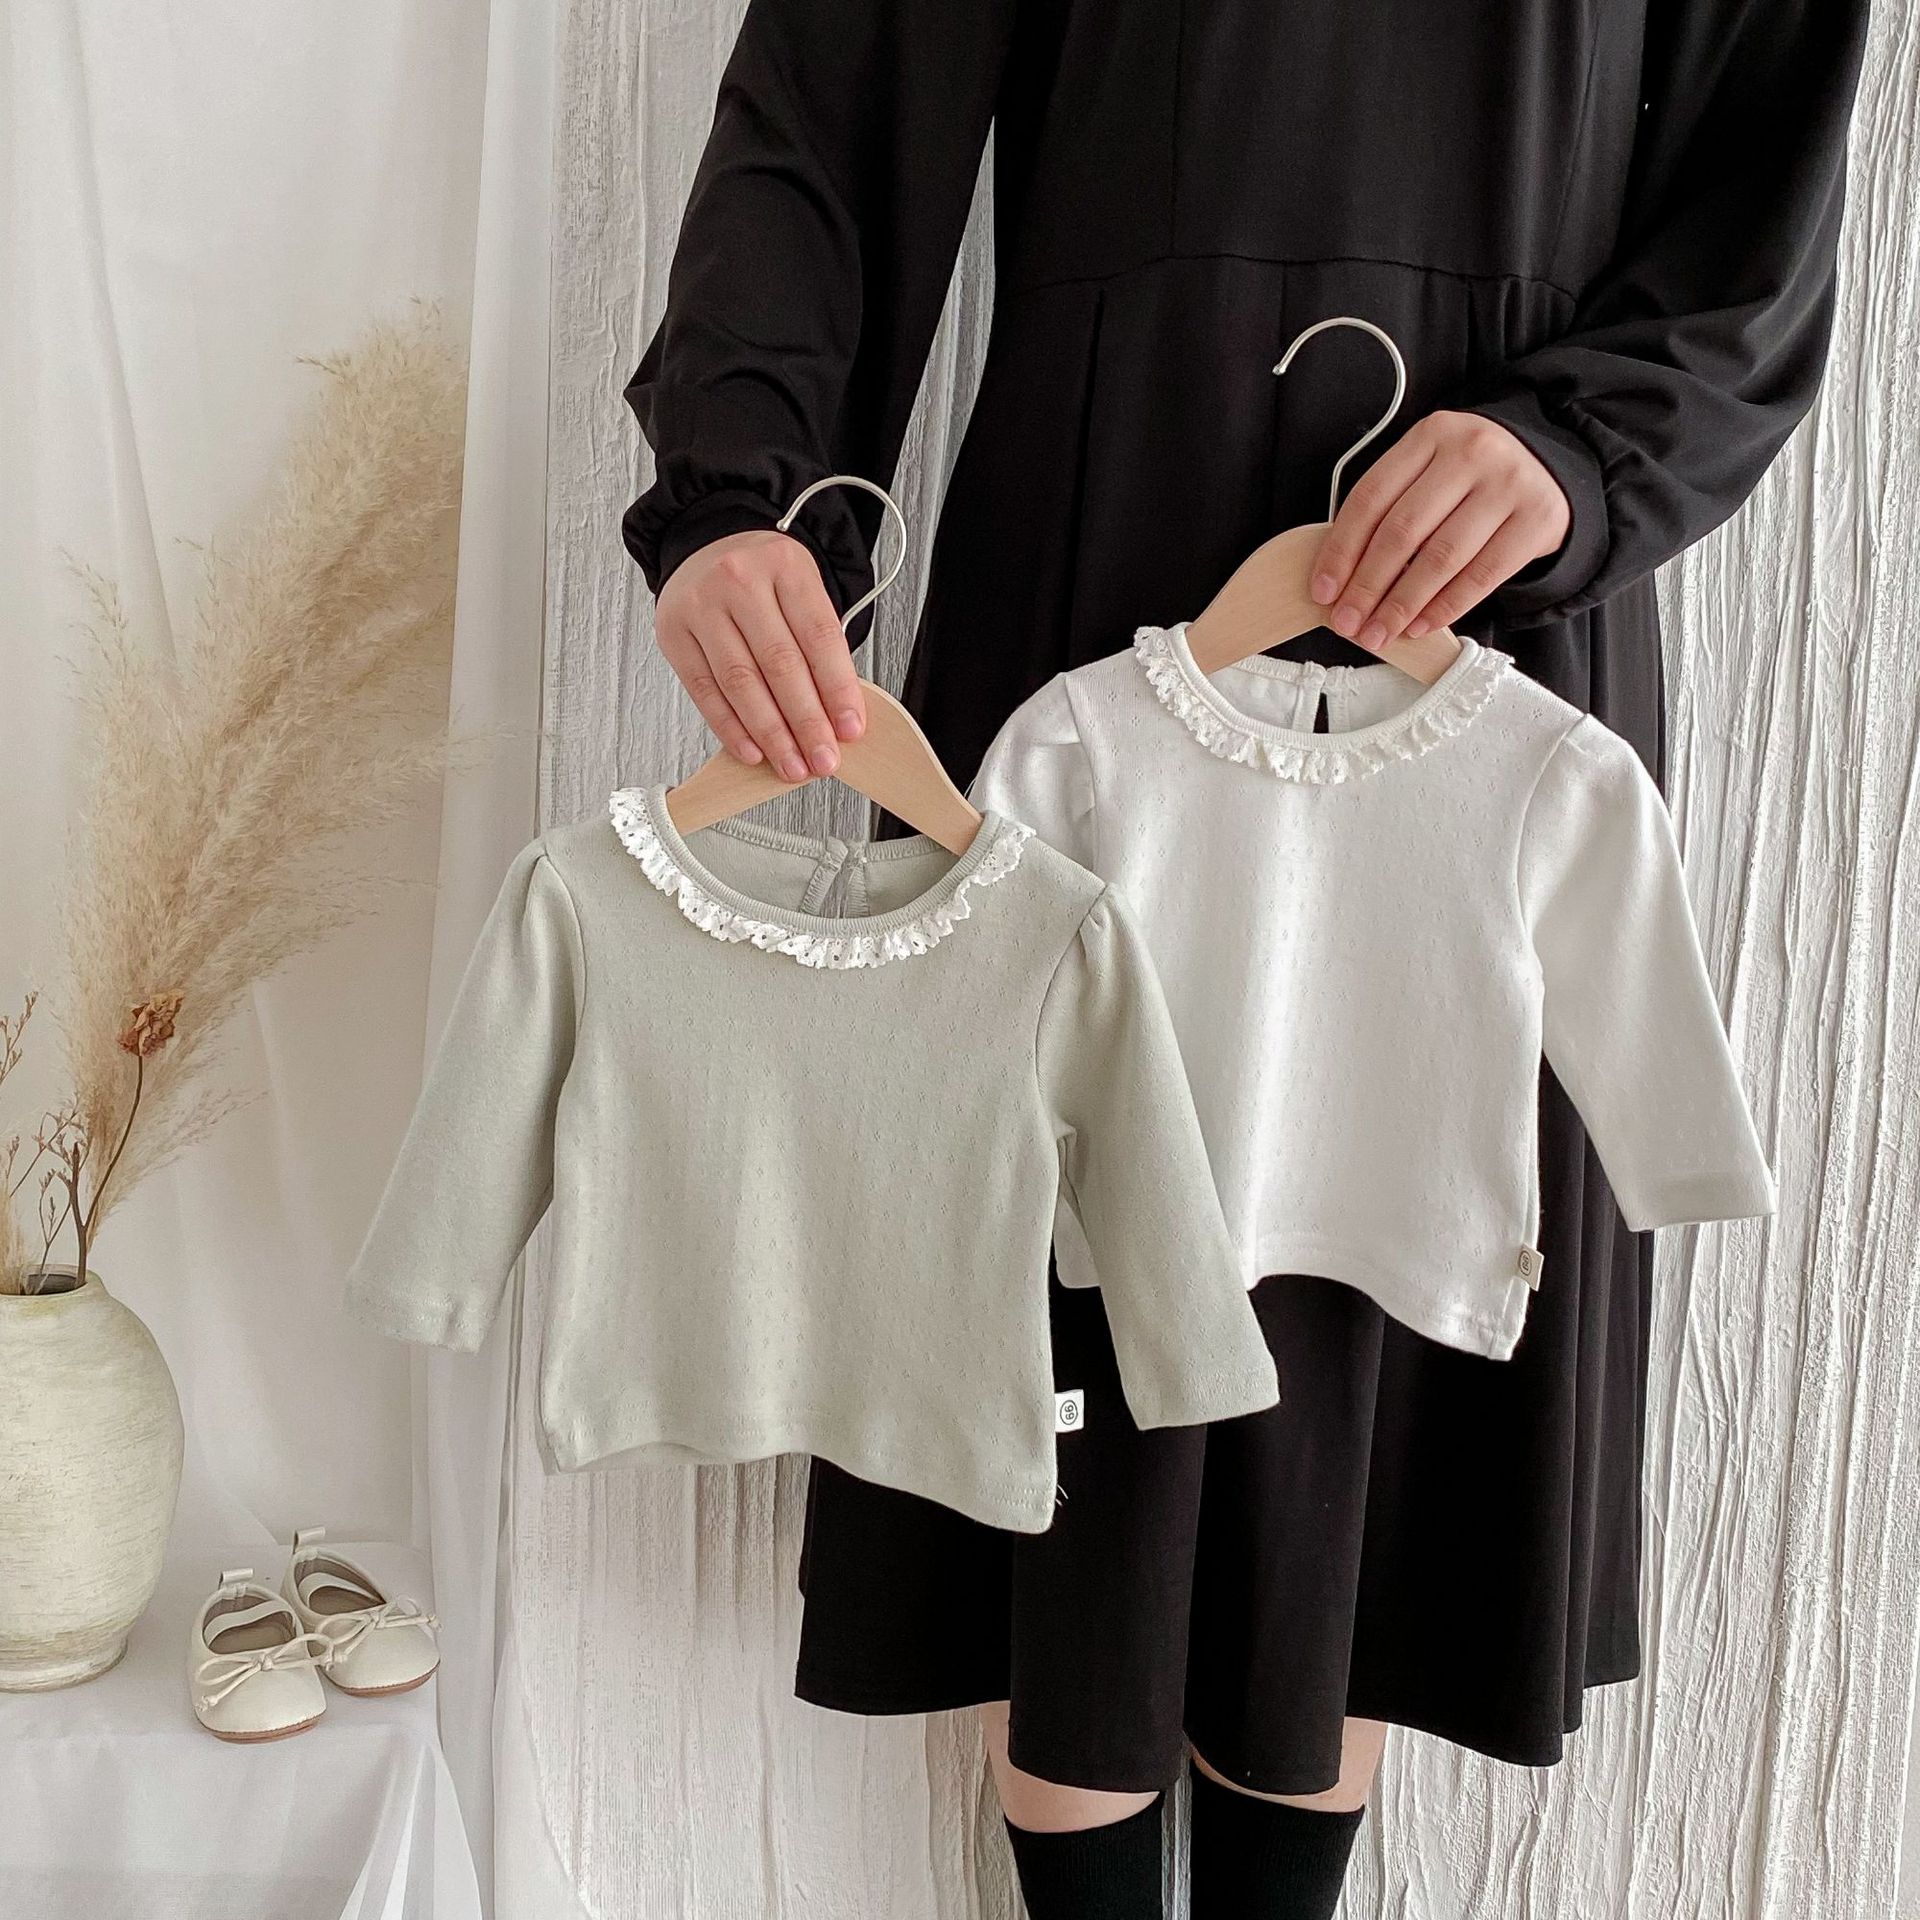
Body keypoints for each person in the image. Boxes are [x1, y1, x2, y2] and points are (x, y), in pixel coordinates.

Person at [622, 5, 1867, 1915]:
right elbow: (837, 94)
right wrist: (741, 492)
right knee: (1067, 1394)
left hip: (1484, 595)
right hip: (1091, 561)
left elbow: (1757, 196)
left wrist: (1583, 446)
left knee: (1373, 1377)